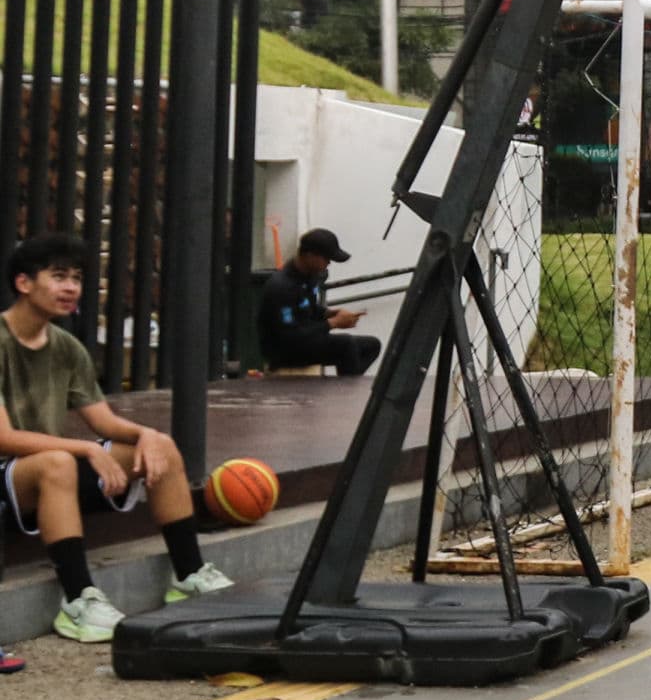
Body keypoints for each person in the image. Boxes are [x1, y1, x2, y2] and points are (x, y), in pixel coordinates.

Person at [2, 233, 233, 643]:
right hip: (12, 474)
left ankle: (189, 574)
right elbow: (4, 438)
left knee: (160, 445)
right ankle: (78, 602)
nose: (71, 287)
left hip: (46, 473)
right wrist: (86, 450)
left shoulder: (66, 348)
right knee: (57, 462)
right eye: (58, 277)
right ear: (24, 283)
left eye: (76, 278)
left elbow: (104, 423)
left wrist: (147, 434)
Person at [254, 228, 379, 377]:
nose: (328, 264)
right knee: (346, 345)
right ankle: (346, 390)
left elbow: (310, 309)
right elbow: (289, 336)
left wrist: (331, 313)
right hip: (284, 350)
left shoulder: (310, 277)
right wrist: (333, 323)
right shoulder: (281, 287)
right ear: (309, 256)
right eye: (326, 259)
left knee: (371, 345)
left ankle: (347, 383)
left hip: (306, 339)